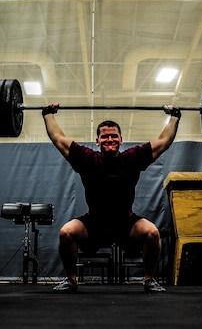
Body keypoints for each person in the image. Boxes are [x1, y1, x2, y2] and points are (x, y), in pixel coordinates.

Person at [42, 103, 181, 293]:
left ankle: (149, 279)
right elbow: (58, 138)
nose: (110, 139)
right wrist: (48, 114)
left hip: (126, 223)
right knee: (66, 232)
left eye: (114, 135)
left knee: (152, 233)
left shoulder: (133, 158)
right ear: (97, 140)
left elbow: (164, 141)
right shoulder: (87, 159)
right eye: (105, 136)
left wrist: (175, 116)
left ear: (121, 140)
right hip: (94, 224)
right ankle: (71, 280)